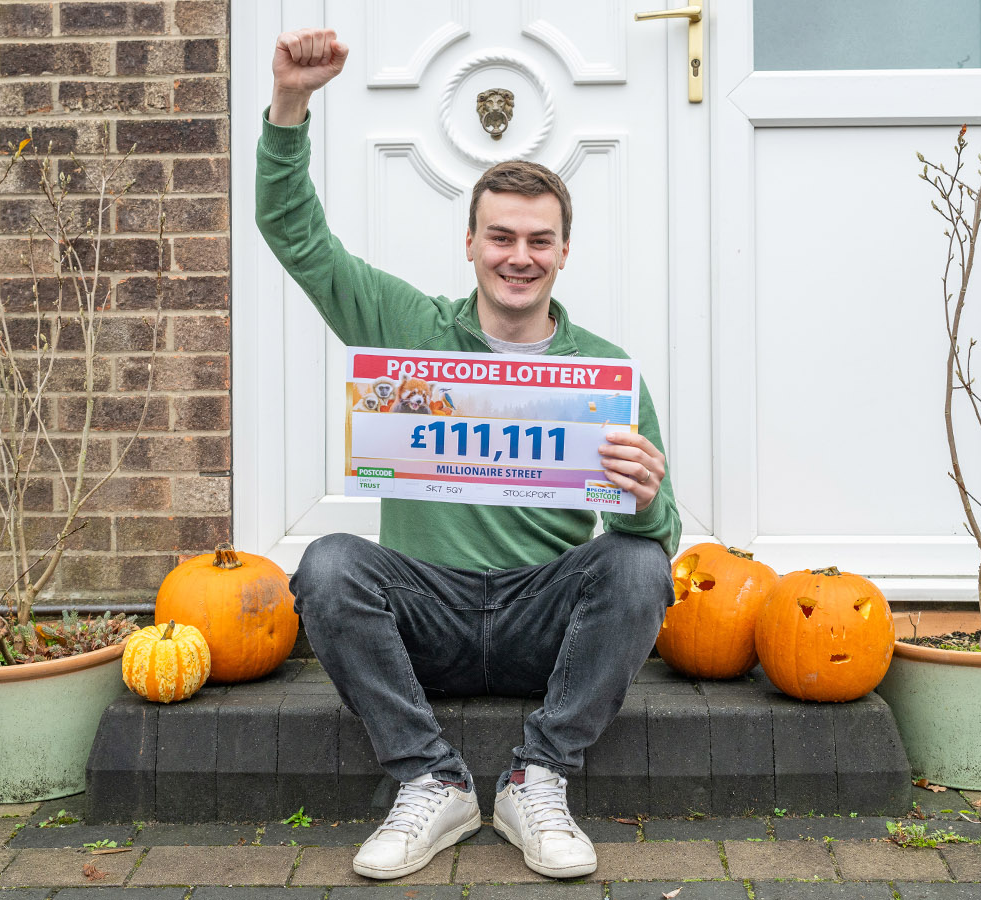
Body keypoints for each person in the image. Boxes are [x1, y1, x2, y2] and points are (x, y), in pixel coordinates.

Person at [257, 27, 681, 881]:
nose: (518, 257)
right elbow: (296, 235)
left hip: (542, 618)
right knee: (330, 563)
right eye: (500, 237)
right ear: (470, 243)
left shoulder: (604, 371)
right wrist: (291, 105)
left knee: (637, 568)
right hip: (428, 613)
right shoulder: (412, 330)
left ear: (564, 251)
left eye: (537, 240)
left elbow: (659, 539)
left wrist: (643, 498)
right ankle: (430, 779)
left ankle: (541, 775)